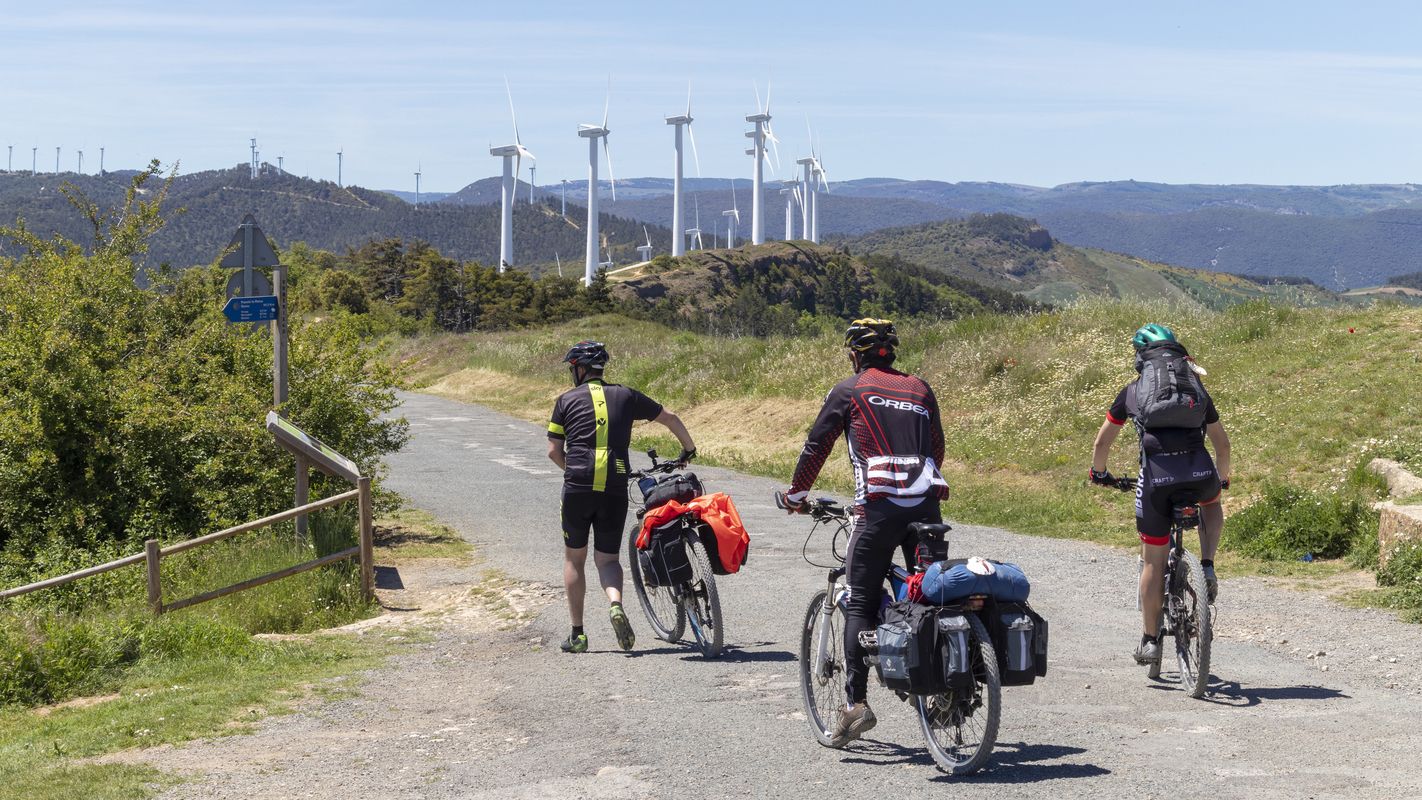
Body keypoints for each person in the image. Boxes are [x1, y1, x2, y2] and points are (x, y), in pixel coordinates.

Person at [781, 318, 949, 747]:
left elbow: (816, 446)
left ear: (855, 354)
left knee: (861, 597)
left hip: (877, 510)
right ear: (891, 352)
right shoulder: (920, 388)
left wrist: (796, 495)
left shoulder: (850, 389)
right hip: (926, 505)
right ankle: (945, 689)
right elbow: (937, 448)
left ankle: (855, 705)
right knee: (930, 593)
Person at [1090, 323, 1231, 666]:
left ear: (1141, 358)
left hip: (1157, 480)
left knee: (1153, 561)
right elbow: (1222, 444)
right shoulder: (1196, 389)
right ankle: (1208, 564)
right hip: (1199, 473)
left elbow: (1102, 443)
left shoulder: (1133, 393)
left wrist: (1100, 473)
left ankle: (1150, 640)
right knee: (1212, 502)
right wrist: (1221, 479)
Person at [546, 340, 696, 654]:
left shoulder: (565, 400)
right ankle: (615, 604)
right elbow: (669, 416)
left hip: (577, 484)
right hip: (614, 484)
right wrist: (688, 449)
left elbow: (553, 451)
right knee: (608, 560)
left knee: (575, 558)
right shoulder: (626, 395)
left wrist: (572, 471)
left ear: (580, 369)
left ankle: (578, 635)